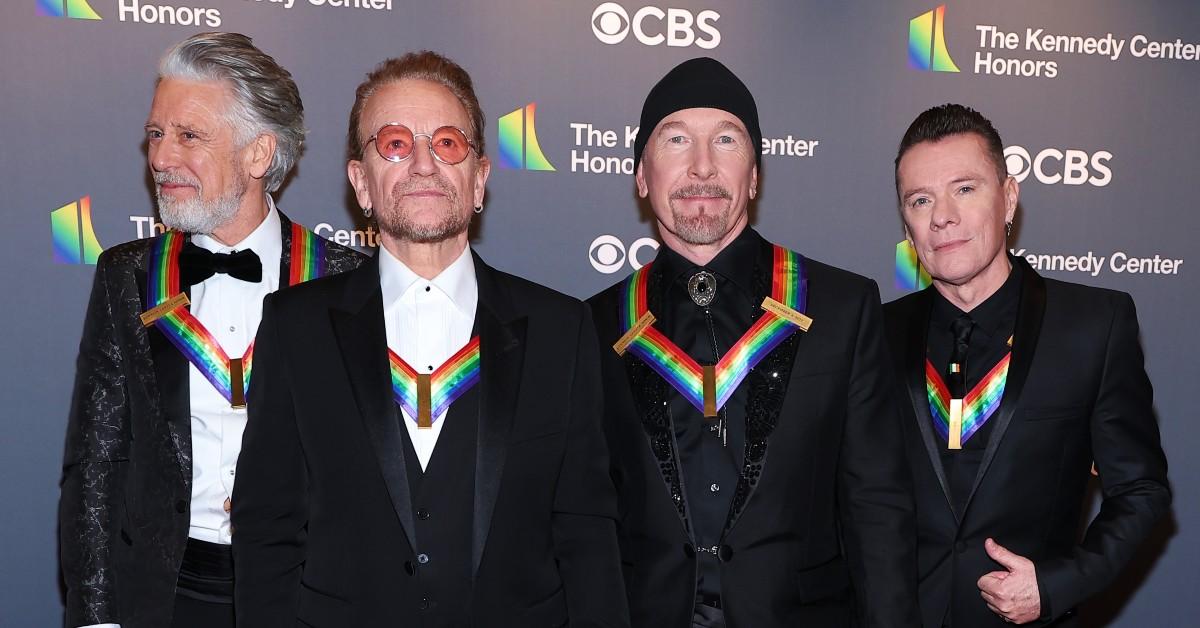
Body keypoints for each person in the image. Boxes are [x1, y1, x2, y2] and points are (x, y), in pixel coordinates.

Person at [231, 50, 629, 628]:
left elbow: (587, 530)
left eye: (447, 143)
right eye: (393, 143)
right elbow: (267, 528)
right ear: (361, 183)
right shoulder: (296, 327)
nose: (422, 162)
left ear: (479, 180)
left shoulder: (560, 329)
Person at [587, 57, 918, 628]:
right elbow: (583, 521)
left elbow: (878, 510)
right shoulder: (593, 326)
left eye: (726, 139)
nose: (702, 167)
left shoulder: (842, 307)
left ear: (756, 174)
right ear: (641, 175)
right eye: (675, 140)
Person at [58, 32, 364, 628]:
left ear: (257, 155)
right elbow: (94, 463)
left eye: (189, 136)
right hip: (163, 595)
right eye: (156, 134)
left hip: (303, 595)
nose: (162, 158)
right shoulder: (127, 275)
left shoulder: (345, 282)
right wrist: (95, 617)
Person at [886, 103, 1170, 626]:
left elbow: (1141, 490)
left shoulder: (1094, 324)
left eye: (965, 188)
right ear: (907, 223)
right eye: (920, 199)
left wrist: (1058, 585)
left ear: (1009, 197)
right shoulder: (876, 333)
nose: (942, 215)